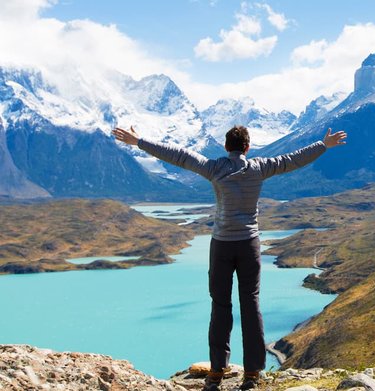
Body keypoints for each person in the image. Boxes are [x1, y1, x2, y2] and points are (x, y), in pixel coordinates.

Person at [112, 125, 347, 390]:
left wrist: (140, 141)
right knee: (251, 305)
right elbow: (292, 160)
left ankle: (216, 372)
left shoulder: (214, 168)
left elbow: (178, 155)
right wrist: (323, 145)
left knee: (220, 305)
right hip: (249, 245)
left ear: (226, 147)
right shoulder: (259, 167)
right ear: (248, 148)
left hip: (222, 245)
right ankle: (252, 374)